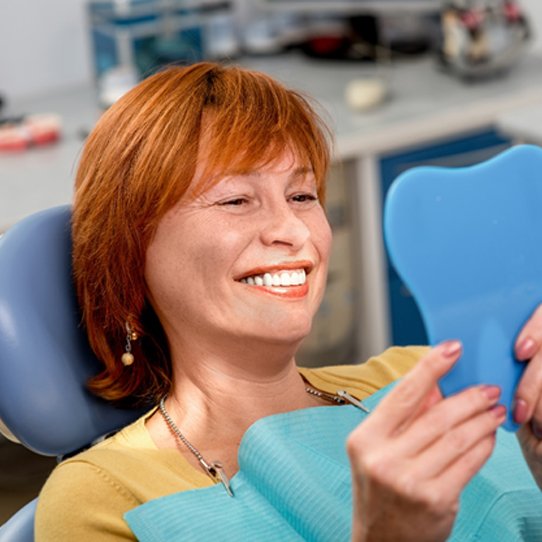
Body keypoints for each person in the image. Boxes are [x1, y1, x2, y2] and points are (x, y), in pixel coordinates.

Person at [35, 62, 542, 541]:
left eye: (302, 196)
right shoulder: (101, 499)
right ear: (131, 252)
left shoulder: (425, 379)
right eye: (236, 200)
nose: (294, 230)